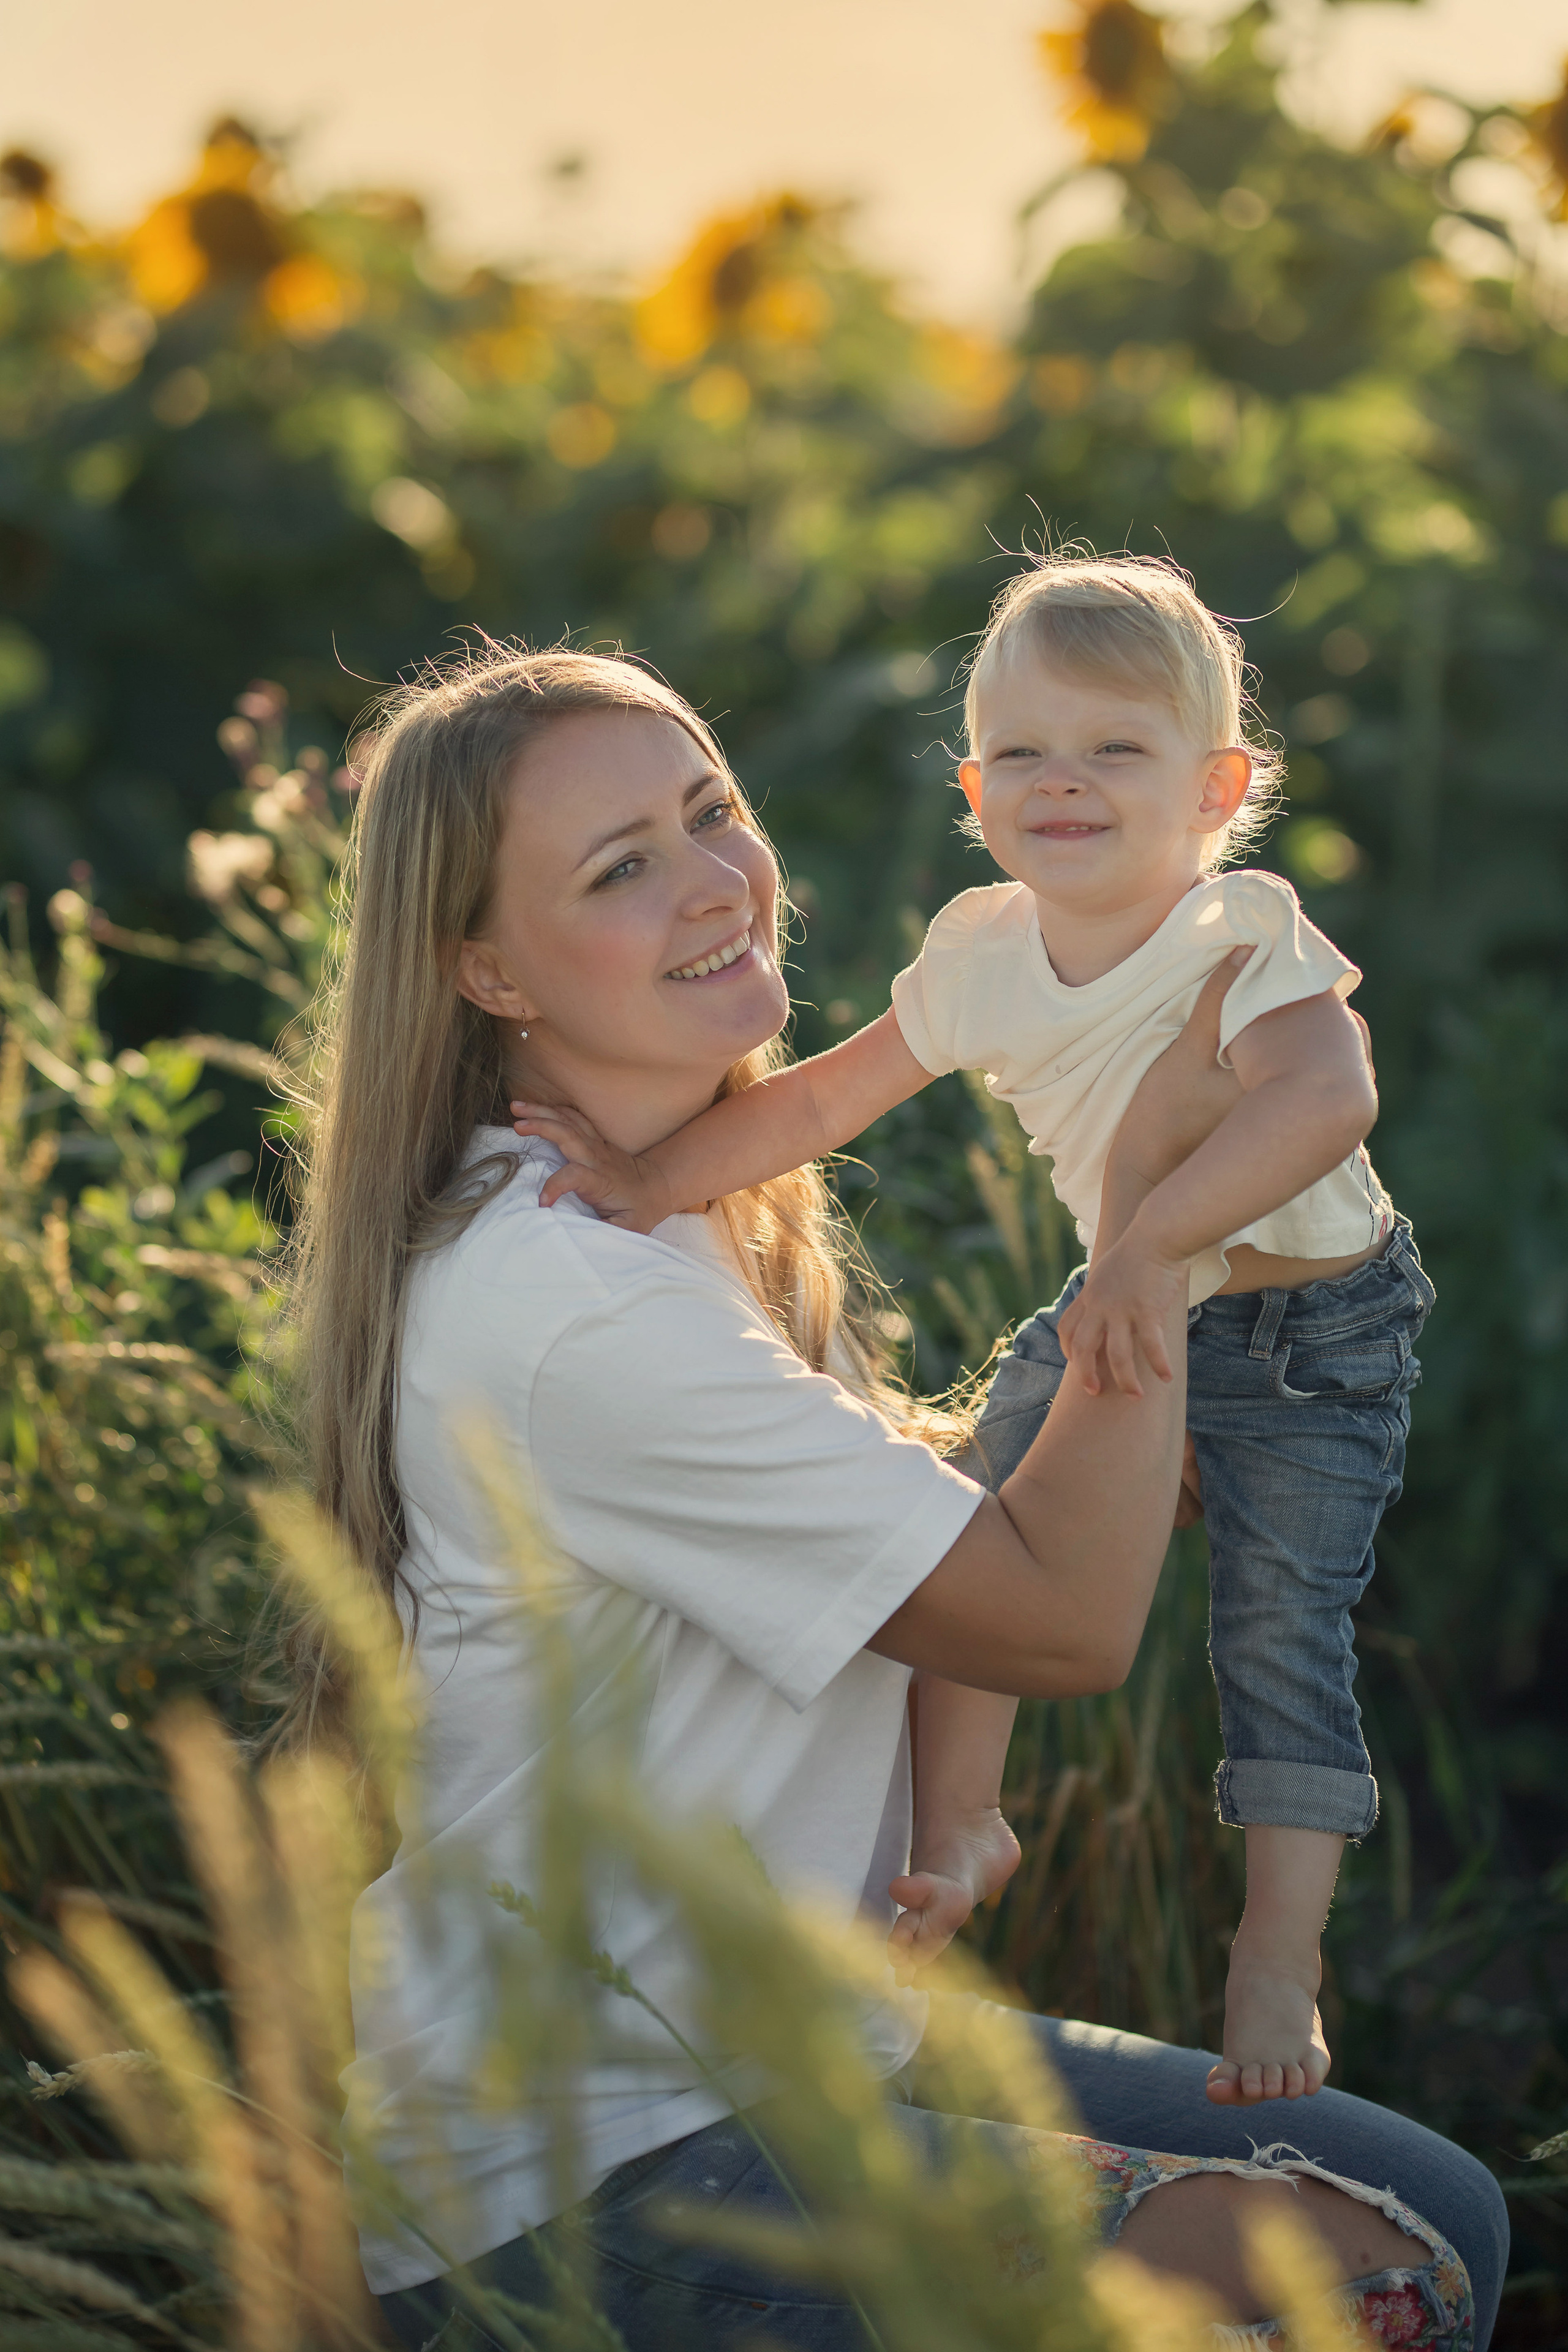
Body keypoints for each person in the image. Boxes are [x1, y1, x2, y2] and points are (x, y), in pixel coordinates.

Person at [283, 643, 1504, 2346]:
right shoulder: (572, 1303)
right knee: (1373, 2280)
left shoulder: (686, 1205)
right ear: (485, 966)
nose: (719, 882)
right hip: (589, 2164)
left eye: (711, 813)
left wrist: (1100, 1424)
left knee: (1443, 2205)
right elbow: (1061, 1619)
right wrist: (1157, 1205)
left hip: (792, 2033)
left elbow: (926, 1536)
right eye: (621, 867)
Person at [510, 554, 1430, 2113]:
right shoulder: (982, 950)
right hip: (1144, 1292)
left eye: (1114, 752)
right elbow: (822, 1097)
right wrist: (644, 1180)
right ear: (969, 784)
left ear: (1214, 789)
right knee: (979, 1522)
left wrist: (1144, 1245)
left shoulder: (1238, 933)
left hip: (1306, 1332)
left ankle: (1277, 1951)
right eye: (1019, 753)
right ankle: (961, 1822)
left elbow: (1325, 1098)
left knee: (1277, 1629)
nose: (1058, 783)